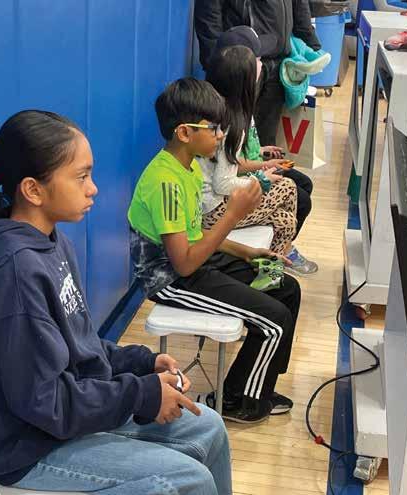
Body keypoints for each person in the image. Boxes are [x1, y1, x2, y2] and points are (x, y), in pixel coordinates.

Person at [0, 110, 231, 495]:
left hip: (61, 418)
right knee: (185, 480)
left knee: (208, 427)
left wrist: (141, 362)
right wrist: (142, 395)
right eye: (81, 177)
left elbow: (78, 345)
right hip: (25, 447)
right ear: (33, 190)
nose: (94, 189)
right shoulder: (14, 273)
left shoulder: (53, 243)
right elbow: (43, 401)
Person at [128, 78, 302, 424]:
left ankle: (259, 384)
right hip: (170, 279)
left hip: (193, 261)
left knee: (287, 289)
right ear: (184, 132)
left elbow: (197, 234)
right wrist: (233, 215)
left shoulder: (188, 166)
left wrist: (247, 252)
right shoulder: (166, 182)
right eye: (214, 128)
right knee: (274, 321)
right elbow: (184, 264)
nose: (221, 135)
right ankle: (238, 401)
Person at [201, 37, 318, 274]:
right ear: (243, 80)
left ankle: (271, 271)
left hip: (214, 205)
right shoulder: (231, 123)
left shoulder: (225, 110)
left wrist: (262, 165)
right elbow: (223, 183)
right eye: (255, 62)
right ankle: (275, 266)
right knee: (288, 187)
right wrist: (261, 180)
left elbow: (230, 165)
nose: (261, 64)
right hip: (212, 212)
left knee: (286, 220)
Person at [194, 0, 321, 145]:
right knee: (230, 136)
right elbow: (208, 14)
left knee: (266, 140)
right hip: (242, 65)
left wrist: (312, 45)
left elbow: (299, 5)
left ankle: (259, 159)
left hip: (277, 63)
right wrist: (218, 63)